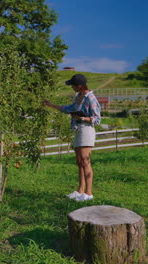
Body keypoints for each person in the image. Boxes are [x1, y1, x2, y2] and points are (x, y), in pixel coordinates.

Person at [44, 74, 101, 202]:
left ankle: (89, 193)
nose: (72, 88)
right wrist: (52, 105)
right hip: (78, 129)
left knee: (85, 162)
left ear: (79, 86)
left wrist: (81, 118)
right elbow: (69, 109)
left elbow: (97, 119)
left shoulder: (91, 98)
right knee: (79, 162)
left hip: (86, 130)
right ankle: (80, 190)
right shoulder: (78, 97)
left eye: (73, 85)